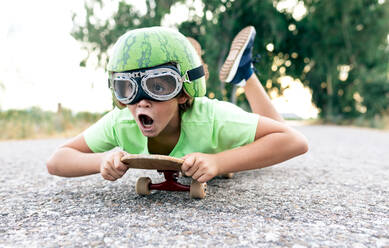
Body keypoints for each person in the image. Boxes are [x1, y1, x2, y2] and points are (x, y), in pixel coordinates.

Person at [46, 26, 308, 183]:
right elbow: (57, 160)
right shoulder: (122, 121)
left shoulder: (211, 117)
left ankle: (246, 73)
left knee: (275, 131)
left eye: (159, 86)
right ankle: (193, 62)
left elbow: (294, 141)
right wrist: (100, 160)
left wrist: (219, 162)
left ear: (183, 94)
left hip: (219, 140)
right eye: (127, 88)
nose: (142, 101)